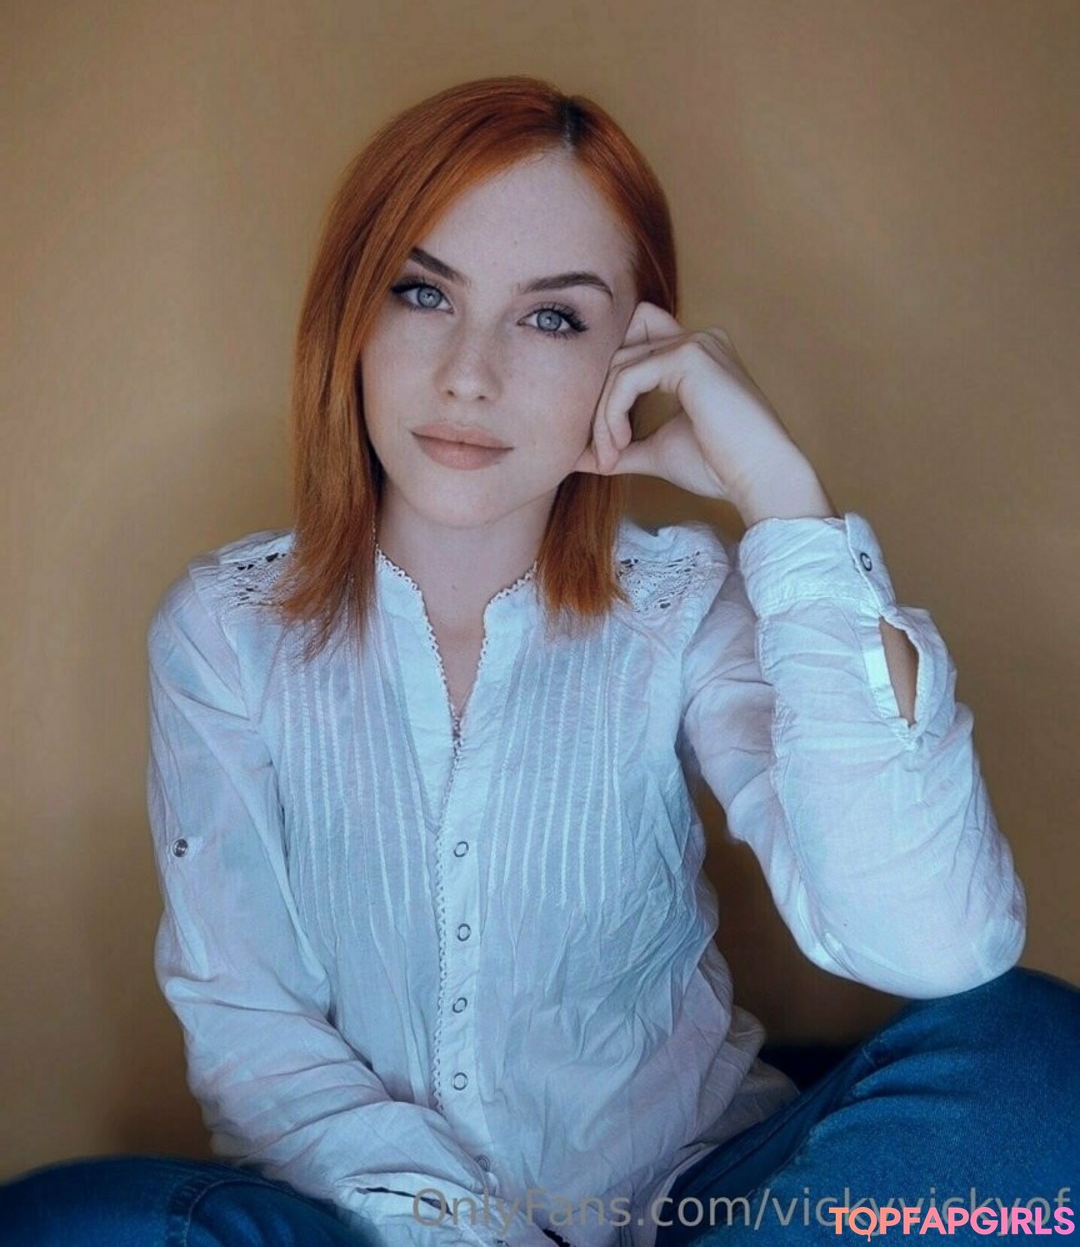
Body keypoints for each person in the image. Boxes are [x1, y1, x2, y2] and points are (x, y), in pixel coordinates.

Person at [2, 75, 1077, 1247]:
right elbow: (249, 1024)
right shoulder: (224, 628)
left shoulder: (683, 603)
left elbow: (935, 941)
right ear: (351, 316)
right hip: (368, 1222)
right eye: (423, 292)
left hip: (691, 1199)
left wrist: (785, 497)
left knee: (1036, 1066)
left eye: (552, 317)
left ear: (636, 354)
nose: (470, 373)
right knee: (68, 1227)